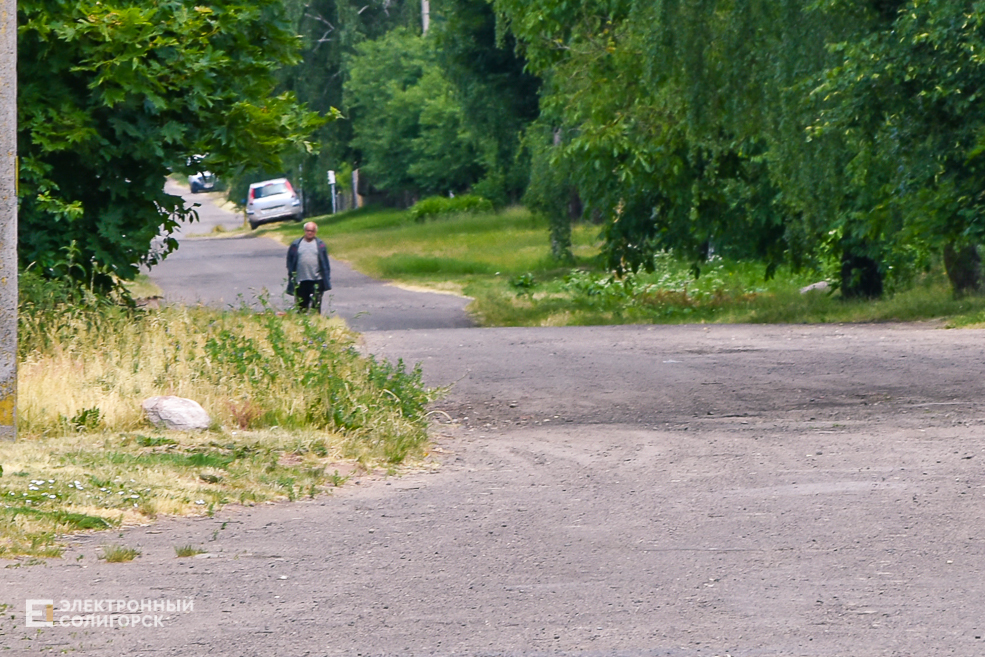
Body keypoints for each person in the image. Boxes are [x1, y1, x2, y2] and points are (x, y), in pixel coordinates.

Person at [286, 222, 332, 313]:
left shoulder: (320, 245)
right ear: (304, 231)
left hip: (316, 279)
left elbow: (325, 263)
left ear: (315, 232)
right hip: (301, 280)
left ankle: (316, 323)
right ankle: (302, 324)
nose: (309, 233)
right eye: (308, 230)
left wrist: (326, 277)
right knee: (301, 306)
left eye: (312, 231)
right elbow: (290, 260)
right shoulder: (296, 244)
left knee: (316, 305)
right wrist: (291, 273)